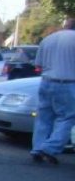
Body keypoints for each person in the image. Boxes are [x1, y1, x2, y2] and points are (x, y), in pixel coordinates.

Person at [30, 15, 75, 165]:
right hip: (68, 83)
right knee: (67, 118)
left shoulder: (48, 39)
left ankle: (37, 148)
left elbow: (39, 64)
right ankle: (49, 148)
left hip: (46, 81)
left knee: (43, 118)